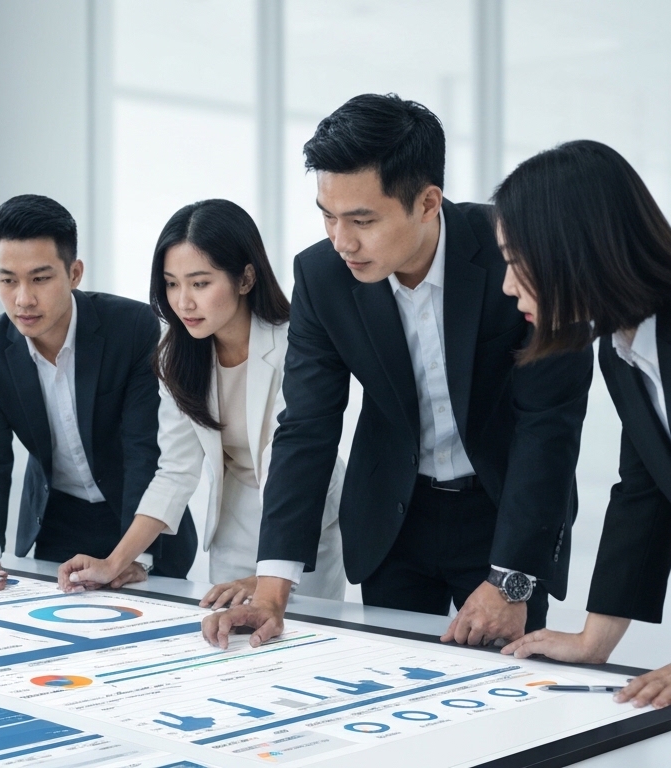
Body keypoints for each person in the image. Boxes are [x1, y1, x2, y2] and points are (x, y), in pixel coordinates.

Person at [202, 93, 593, 650]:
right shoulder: (322, 276)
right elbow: (307, 426)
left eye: (362, 220)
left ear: (428, 201)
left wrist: (512, 579)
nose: (342, 240)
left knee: (510, 688)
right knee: (397, 683)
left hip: (503, 515)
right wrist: (272, 588)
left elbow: (548, 427)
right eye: (328, 215)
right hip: (392, 520)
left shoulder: (514, 254)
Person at [57, 200, 346, 603]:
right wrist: (115, 561)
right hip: (233, 520)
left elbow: (297, 459)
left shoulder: (295, 342)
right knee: (226, 636)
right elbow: (175, 471)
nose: (183, 302)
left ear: (245, 278)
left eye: (200, 283)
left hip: (304, 516)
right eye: (172, 283)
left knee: (297, 634)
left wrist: (265, 581)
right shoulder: (176, 356)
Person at [495, 140, 671, 709]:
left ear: (570, 248)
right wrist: (596, 640)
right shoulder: (622, 348)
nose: (506, 285)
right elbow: (644, 491)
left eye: (515, 260)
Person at [0, 194, 198, 595]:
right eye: (7, 279)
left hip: (137, 523)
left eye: (40, 278)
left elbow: (145, 449)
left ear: (75, 273)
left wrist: (134, 557)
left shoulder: (131, 327)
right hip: (55, 522)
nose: (23, 298)